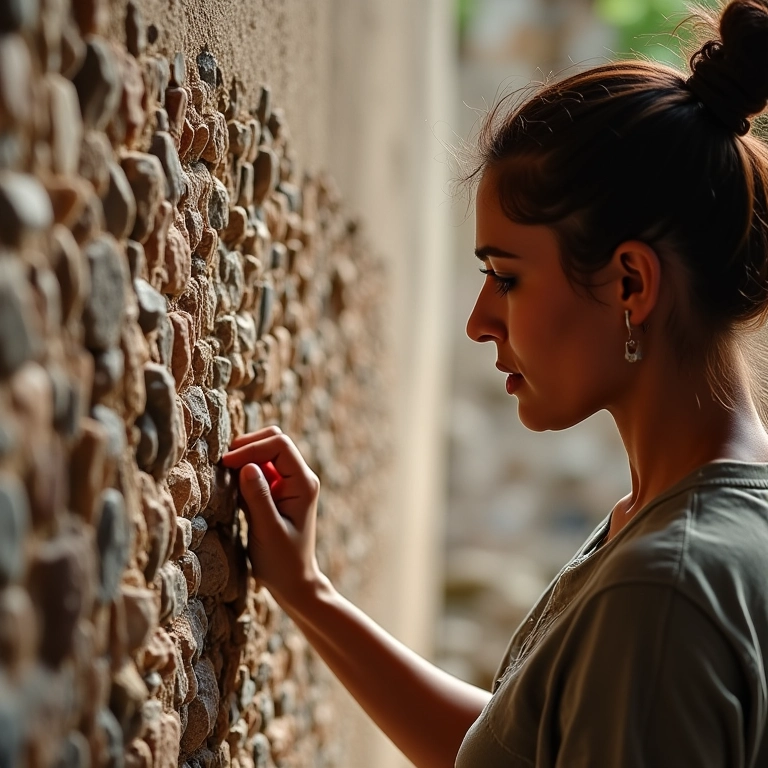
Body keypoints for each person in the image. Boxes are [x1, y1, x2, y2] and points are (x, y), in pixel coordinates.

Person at [222, 0, 768, 764]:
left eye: (505, 277)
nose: (480, 321)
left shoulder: (664, 589)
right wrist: (308, 592)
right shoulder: (690, 531)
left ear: (630, 285)